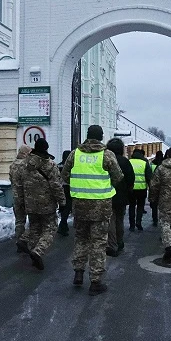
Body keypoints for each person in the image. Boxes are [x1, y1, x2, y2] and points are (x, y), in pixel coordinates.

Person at [61, 125, 123, 296]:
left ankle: (78, 272)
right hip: (101, 207)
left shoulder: (75, 154)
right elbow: (118, 177)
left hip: (80, 205)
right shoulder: (107, 155)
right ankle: (95, 281)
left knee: (80, 239)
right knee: (98, 243)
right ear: (101, 137)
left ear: (87, 136)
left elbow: (64, 175)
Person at [22, 138, 65, 270]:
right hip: (46, 204)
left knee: (34, 228)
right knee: (50, 228)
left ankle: (33, 252)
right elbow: (56, 186)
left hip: (30, 203)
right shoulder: (50, 165)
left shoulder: (25, 163)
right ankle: (38, 251)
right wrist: (62, 202)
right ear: (46, 149)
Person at [105, 138, 133, 256]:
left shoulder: (105, 160)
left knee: (111, 220)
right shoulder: (125, 162)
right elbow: (131, 179)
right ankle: (120, 241)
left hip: (108, 194)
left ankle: (112, 245)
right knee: (120, 220)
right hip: (122, 196)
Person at [9, 145, 32, 253]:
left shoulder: (13, 165)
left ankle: (19, 242)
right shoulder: (25, 165)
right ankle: (26, 241)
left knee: (19, 221)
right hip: (26, 196)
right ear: (25, 153)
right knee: (34, 221)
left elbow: (11, 179)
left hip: (16, 196)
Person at [128, 149, 153, 231]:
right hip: (142, 189)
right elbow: (149, 177)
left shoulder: (129, 162)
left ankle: (131, 225)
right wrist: (151, 189)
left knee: (131, 206)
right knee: (140, 206)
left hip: (131, 189)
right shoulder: (144, 163)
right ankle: (138, 222)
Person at [57, 150, 73, 236]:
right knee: (68, 205)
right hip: (69, 187)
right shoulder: (71, 167)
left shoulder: (58, 165)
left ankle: (63, 224)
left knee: (63, 206)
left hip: (60, 187)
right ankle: (63, 224)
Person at [150, 151, 164, 226]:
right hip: (163, 188)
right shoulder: (164, 164)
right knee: (162, 205)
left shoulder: (152, 163)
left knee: (154, 204)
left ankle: (154, 219)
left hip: (154, 187)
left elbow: (149, 174)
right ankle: (162, 219)